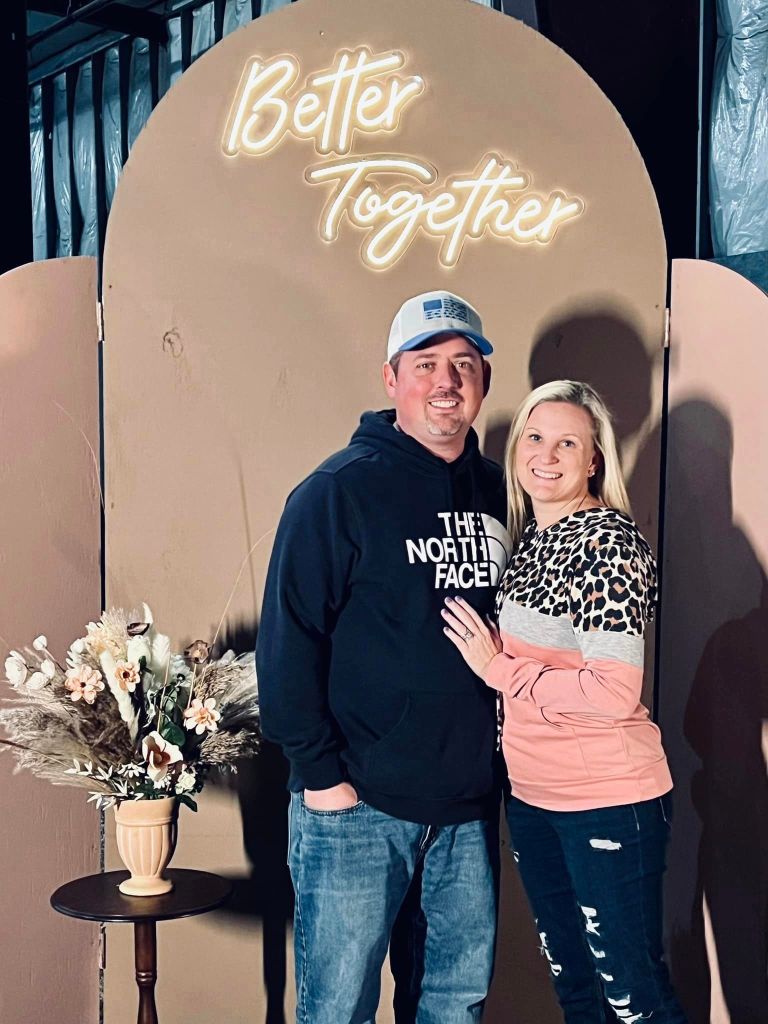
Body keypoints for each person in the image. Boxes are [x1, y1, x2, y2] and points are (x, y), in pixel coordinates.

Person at [256, 291, 512, 1024]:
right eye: (425, 364)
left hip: (467, 809)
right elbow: (288, 642)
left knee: (455, 1006)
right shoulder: (337, 492)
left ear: (484, 382)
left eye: (463, 364)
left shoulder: (503, 491)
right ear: (391, 378)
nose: (446, 381)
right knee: (340, 1010)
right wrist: (322, 777)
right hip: (357, 807)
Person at [442, 380, 687, 1024]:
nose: (546, 456)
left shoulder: (606, 544)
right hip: (534, 799)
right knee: (579, 992)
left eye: (567, 443)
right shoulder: (533, 540)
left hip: (607, 799)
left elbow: (612, 691)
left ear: (595, 458)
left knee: (633, 997)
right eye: (535, 437)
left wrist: (499, 669)